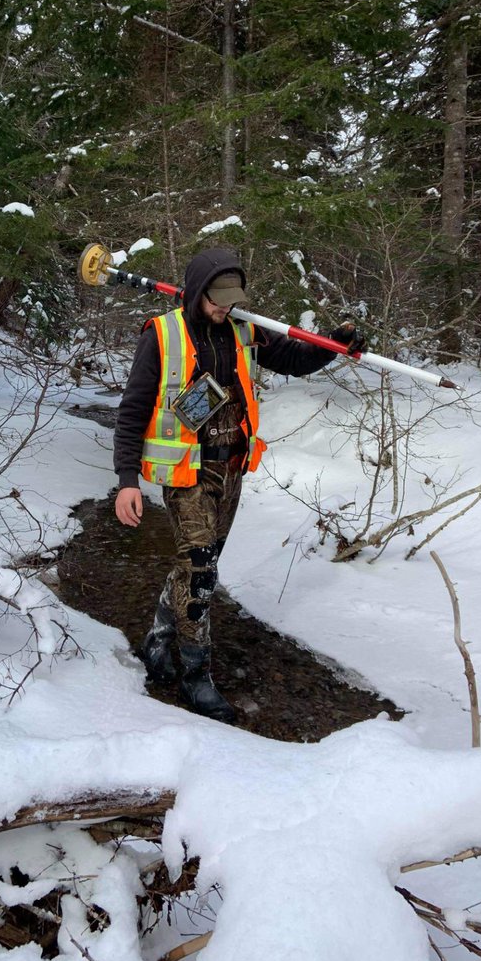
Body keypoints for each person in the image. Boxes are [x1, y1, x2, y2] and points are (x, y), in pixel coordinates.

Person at [113, 246, 363, 723]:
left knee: (193, 568)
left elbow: (295, 358)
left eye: (232, 297)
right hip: (188, 474)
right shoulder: (162, 335)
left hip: (230, 471)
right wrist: (127, 480)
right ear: (196, 291)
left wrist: (334, 344)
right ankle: (195, 675)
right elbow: (133, 409)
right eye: (217, 298)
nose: (225, 306)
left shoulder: (245, 329)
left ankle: (160, 639)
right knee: (202, 573)